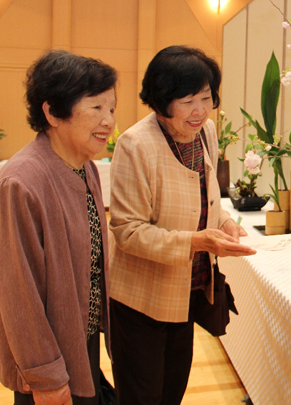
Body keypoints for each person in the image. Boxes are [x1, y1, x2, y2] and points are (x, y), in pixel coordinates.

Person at [108, 45, 255, 405]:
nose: (200, 110)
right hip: (140, 299)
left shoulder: (207, 132)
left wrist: (224, 223)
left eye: (206, 97)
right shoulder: (135, 145)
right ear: (161, 101)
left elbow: (209, 198)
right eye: (187, 100)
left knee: (172, 391)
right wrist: (197, 241)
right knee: (142, 396)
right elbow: (127, 231)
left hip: (186, 293)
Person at [0, 50, 118, 404]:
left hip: (80, 339)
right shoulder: (20, 183)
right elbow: (18, 295)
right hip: (44, 356)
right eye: (96, 107)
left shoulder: (86, 168)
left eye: (112, 108)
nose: (109, 121)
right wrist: (46, 379)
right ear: (52, 112)